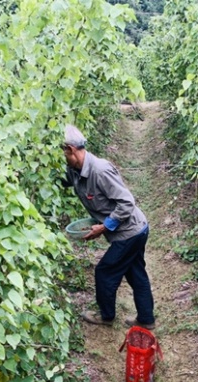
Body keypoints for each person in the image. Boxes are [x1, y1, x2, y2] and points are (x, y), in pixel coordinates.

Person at [62, 124, 156, 330]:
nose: (63, 158)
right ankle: (147, 319)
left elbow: (127, 203)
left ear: (71, 149)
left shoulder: (100, 171)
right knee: (135, 272)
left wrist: (104, 227)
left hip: (130, 232)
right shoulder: (75, 169)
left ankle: (106, 316)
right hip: (133, 229)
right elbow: (67, 181)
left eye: (63, 153)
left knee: (105, 272)